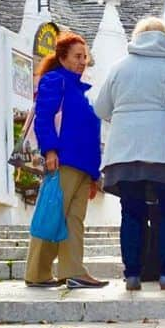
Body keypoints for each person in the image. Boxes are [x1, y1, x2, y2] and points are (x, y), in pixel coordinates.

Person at [94, 17, 165, 290]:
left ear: (136, 37)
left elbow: (101, 108)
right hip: (162, 149)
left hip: (124, 150)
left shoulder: (118, 67)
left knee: (131, 212)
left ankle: (132, 275)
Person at [24, 31, 107, 289]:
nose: (83, 61)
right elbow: (44, 117)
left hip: (84, 165)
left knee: (74, 219)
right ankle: (37, 273)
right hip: (63, 160)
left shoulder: (82, 91)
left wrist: (94, 174)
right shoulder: (54, 81)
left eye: (85, 57)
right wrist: (50, 150)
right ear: (62, 58)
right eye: (77, 56)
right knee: (52, 213)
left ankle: (73, 270)